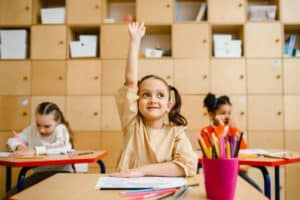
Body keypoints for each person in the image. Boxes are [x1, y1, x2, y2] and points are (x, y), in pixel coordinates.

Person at [110, 22, 197, 178]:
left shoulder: (176, 133)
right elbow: (131, 81)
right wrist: (135, 41)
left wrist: (143, 171)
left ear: (169, 105)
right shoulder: (132, 124)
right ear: (136, 101)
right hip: (127, 191)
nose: (153, 100)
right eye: (145, 95)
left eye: (160, 95)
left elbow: (188, 166)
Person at [5, 102, 73, 199]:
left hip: (61, 175)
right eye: (38, 125)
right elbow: (11, 141)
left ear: (57, 121)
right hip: (39, 175)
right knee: (10, 197)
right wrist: (18, 146)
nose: (41, 130)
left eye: (47, 126)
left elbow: (62, 147)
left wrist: (34, 150)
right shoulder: (32, 129)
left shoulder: (60, 128)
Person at [200, 92, 262, 192]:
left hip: (236, 173)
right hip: (218, 175)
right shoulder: (206, 131)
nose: (227, 116)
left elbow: (243, 157)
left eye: (229, 113)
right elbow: (215, 156)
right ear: (212, 114)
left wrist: (236, 132)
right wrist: (221, 128)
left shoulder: (233, 130)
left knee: (258, 192)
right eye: (223, 113)